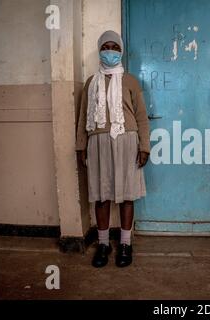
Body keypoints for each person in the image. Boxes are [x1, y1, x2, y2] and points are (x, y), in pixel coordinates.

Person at [76, 30, 150, 268]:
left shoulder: (130, 80)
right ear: (100, 51)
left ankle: (126, 244)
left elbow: (141, 117)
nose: (110, 51)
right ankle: (103, 244)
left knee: (127, 195)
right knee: (101, 195)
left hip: (127, 142)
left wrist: (144, 147)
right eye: (106, 47)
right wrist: (81, 147)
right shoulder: (91, 82)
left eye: (114, 47)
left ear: (121, 51)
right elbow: (81, 119)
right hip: (97, 143)